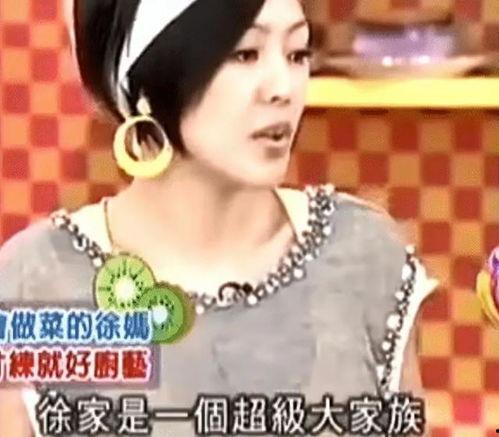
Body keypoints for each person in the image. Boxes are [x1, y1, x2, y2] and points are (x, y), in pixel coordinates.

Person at [0, 0, 439, 435]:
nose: (282, 88)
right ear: (146, 81)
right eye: (245, 54)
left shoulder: (362, 257)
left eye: (297, 53)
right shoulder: (38, 284)